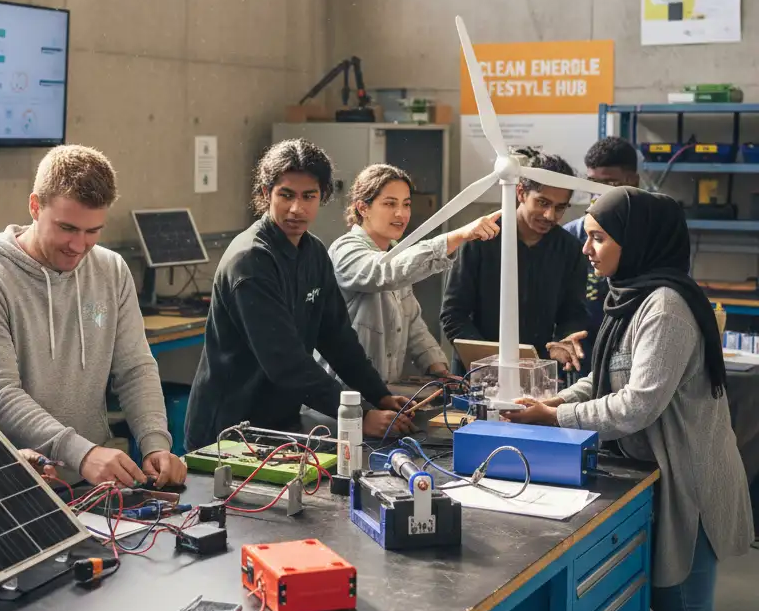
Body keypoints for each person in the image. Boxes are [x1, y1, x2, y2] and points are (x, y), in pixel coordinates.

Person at [0, 145, 186, 611]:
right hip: (8, 498)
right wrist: (82, 451)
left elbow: (134, 365)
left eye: (93, 232)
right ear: (34, 206)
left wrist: (154, 441)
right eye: (66, 228)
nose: (79, 246)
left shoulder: (109, 271)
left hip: (90, 494)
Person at [505, 187, 752, 611]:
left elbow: (637, 404)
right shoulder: (631, 295)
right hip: (660, 475)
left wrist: (555, 418)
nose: (586, 249)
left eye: (598, 237)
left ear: (635, 240)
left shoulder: (664, 309)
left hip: (692, 486)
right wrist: (543, 398)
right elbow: (602, 382)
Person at [184, 140, 418, 453]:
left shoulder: (314, 253)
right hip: (228, 430)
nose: (297, 208)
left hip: (279, 425)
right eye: (286, 195)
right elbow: (286, 363)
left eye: (309, 196)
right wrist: (360, 415)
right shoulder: (251, 261)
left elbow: (337, 338)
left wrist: (379, 394)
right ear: (267, 194)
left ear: (323, 196)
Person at [326, 164, 501, 383]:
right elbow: (384, 271)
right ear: (363, 208)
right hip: (340, 400)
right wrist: (457, 236)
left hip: (381, 396)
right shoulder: (346, 250)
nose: (400, 213)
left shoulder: (394, 253)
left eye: (406, 204)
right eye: (389, 204)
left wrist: (438, 369)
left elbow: (413, 325)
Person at [440, 152, 589, 368]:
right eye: (542, 202)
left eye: (560, 207)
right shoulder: (480, 239)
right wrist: (487, 362)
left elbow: (572, 311)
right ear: (520, 192)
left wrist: (565, 340)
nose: (550, 215)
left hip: (538, 372)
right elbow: (453, 313)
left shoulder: (569, 249)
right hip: (476, 373)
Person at [563, 137, 640, 367]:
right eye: (592, 183)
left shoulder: (653, 239)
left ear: (633, 181)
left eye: (608, 184)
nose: (598, 194)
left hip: (635, 354)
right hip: (582, 356)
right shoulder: (571, 237)